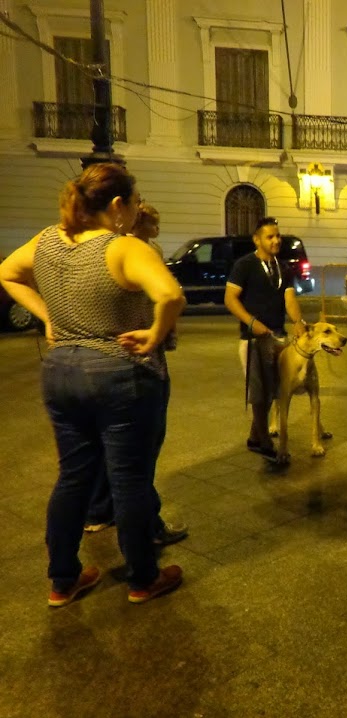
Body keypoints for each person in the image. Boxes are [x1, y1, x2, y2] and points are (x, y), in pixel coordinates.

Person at [0, 162, 185, 606]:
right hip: (120, 373)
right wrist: (155, 334)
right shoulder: (123, 248)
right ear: (118, 205)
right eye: (135, 203)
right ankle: (143, 577)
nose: (137, 211)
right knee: (130, 480)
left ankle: (62, 580)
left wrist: (49, 318)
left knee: (73, 478)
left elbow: (7, 273)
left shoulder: (47, 241)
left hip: (61, 372)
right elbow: (171, 295)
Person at [83, 202, 188, 546]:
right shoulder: (139, 252)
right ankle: (148, 531)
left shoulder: (96, 248)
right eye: (154, 222)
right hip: (140, 358)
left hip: (92, 361)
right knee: (140, 453)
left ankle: (100, 513)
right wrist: (160, 333)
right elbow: (170, 298)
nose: (157, 228)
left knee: (105, 446)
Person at [224, 217, 306, 462]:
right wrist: (251, 323)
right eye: (270, 236)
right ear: (257, 239)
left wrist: (298, 321)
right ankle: (265, 442)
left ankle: (254, 436)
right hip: (252, 339)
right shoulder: (245, 265)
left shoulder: (284, 268)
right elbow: (230, 299)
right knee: (260, 392)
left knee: (273, 390)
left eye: (278, 236)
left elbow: (289, 299)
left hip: (277, 336)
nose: (276, 240)